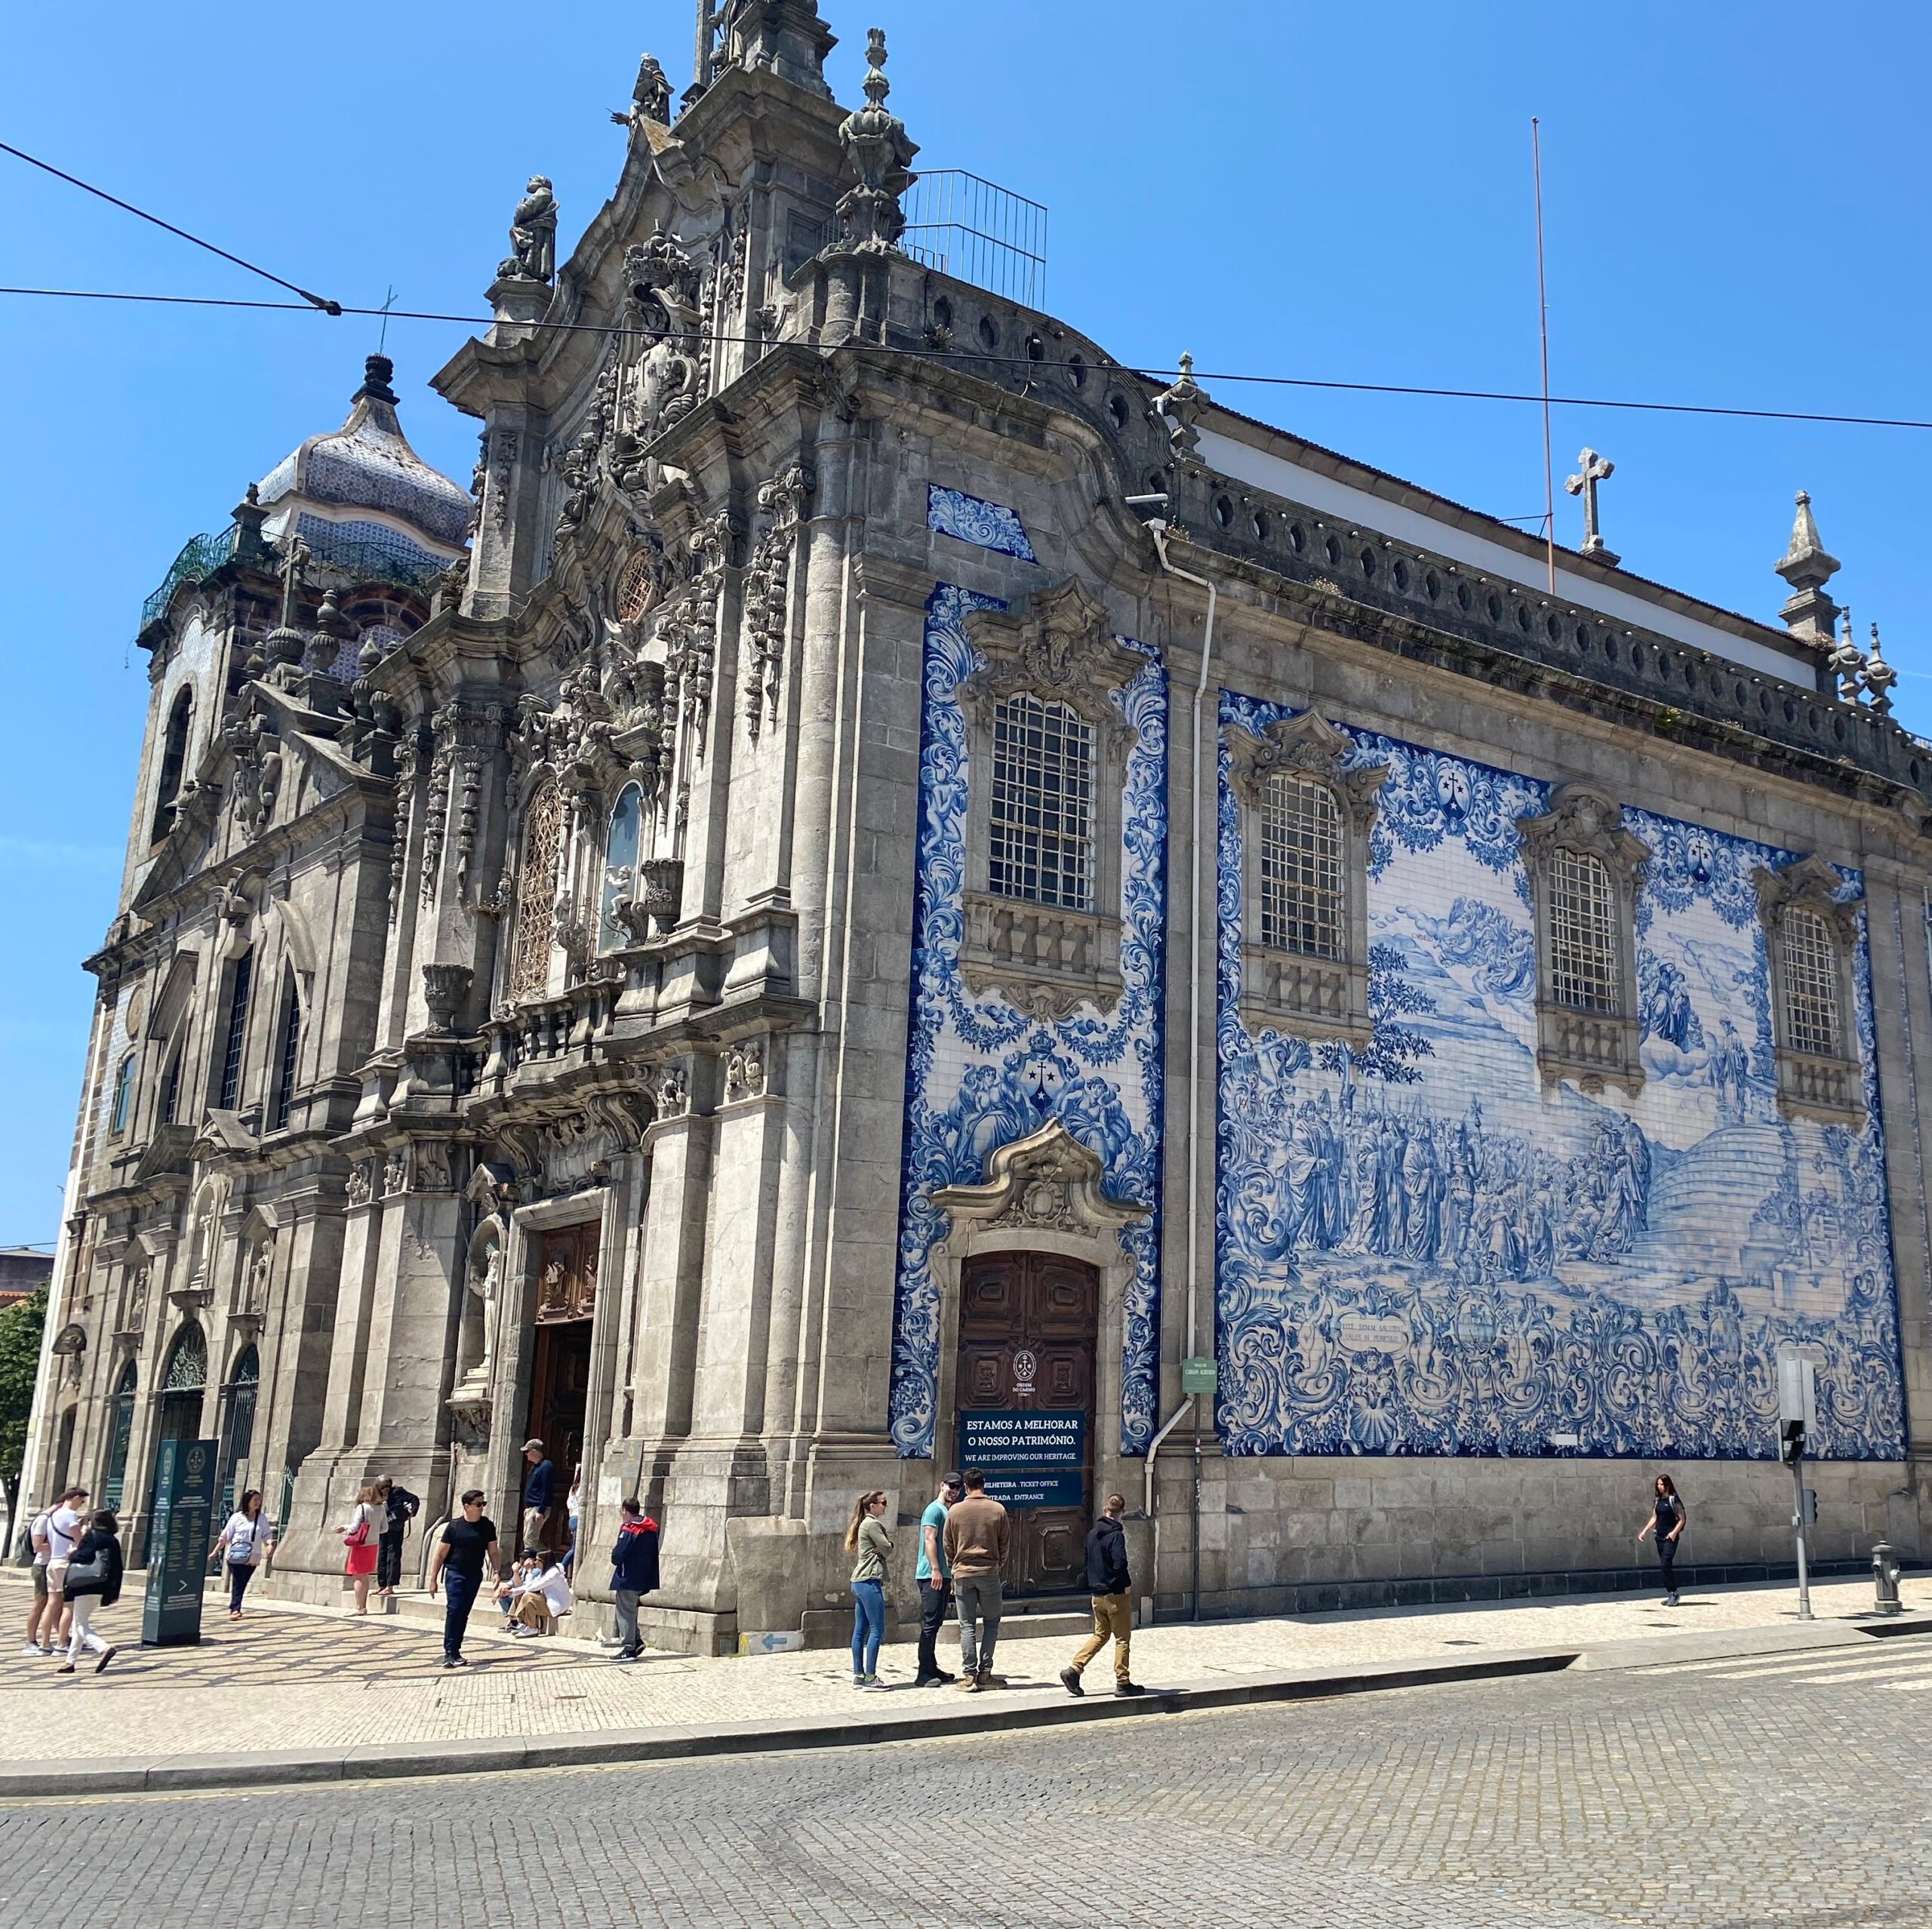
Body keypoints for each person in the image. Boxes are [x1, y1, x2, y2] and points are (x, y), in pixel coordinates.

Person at [1060, 1494, 1144, 1698]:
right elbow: (1120, 1564)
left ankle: (1075, 1669)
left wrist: (1095, 1585)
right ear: (1121, 1512)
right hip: (1115, 1594)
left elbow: (1087, 1561)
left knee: (1100, 1635)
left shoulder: (1091, 1534)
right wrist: (1125, 1585)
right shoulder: (1116, 1536)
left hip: (1097, 1595)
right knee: (1122, 1639)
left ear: (1106, 1508)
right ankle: (1123, 1682)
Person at [943, 1469, 1009, 1693]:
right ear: (984, 1484)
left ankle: (969, 1675)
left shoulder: (955, 1511)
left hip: (963, 1574)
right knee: (992, 1623)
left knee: (967, 1625)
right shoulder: (998, 1510)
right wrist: (997, 1565)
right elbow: (1005, 1544)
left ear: (965, 1487)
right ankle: (985, 1673)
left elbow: (947, 1544)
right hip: (989, 1572)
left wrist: (954, 1568)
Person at [427, 1489, 500, 1669]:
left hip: (474, 1574)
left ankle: (456, 1650)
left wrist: (497, 1571)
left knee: (463, 1612)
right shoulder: (454, 1527)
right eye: (478, 1504)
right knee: (454, 1609)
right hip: (455, 1573)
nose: (481, 1507)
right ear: (466, 1506)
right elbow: (440, 1554)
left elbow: (493, 1551)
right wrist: (433, 1578)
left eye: (483, 1504)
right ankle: (450, 1651)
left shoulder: (487, 1526)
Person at [57, 1509, 123, 1675]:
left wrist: (72, 1553)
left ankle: (103, 1648)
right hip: (102, 1585)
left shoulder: (92, 1536)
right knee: (80, 1622)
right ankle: (70, 1662)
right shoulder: (112, 1540)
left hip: (85, 1584)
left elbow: (83, 1556)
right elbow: (118, 1568)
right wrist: (114, 1593)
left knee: (79, 1624)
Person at [912, 1472, 961, 1687]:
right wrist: (935, 1569)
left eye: (958, 1488)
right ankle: (923, 1673)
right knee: (930, 1623)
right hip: (931, 1575)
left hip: (943, 1574)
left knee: (937, 1622)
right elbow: (929, 1539)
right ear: (942, 1485)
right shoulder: (934, 1510)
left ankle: (932, 1667)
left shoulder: (946, 1511)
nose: (954, 1491)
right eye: (951, 1486)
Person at [843, 1491, 892, 1689]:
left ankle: (858, 1674)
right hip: (869, 1580)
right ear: (872, 1506)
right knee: (877, 1629)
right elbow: (887, 1549)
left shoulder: (864, 1524)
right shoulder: (872, 1524)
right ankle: (870, 1677)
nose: (885, 1506)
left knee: (859, 1630)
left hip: (859, 1581)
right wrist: (887, 1546)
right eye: (883, 1503)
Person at [608, 1496, 661, 1663]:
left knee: (624, 1611)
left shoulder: (630, 1528)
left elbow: (619, 1554)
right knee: (630, 1610)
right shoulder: (649, 1528)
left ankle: (629, 1648)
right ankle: (637, 1640)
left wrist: (614, 1555)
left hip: (627, 1577)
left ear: (625, 1510)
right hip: (642, 1575)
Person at [211, 1489, 275, 1620]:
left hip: (253, 1556)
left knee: (242, 1582)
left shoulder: (261, 1518)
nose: (258, 1502)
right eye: (255, 1500)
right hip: (236, 1556)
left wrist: (269, 1544)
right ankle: (235, 1608)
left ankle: (235, 1607)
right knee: (238, 1581)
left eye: (259, 1499)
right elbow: (225, 1536)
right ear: (248, 1501)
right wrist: (215, 1552)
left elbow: (266, 1534)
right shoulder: (237, 1517)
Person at [44, 1485, 90, 1649]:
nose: (81, 1505)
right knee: (69, 1605)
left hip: (53, 1562)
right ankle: (63, 1642)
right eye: (82, 1502)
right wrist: (83, 1529)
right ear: (76, 1497)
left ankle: (45, 1642)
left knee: (52, 1603)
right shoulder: (71, 1516)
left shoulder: (53, 1516)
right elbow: (80, 1543)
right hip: (65, 1564)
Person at [1638, 1473, 1688, 1607]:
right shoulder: (1658, 1500)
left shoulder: (1674, 1500)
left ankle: (1674, 1593)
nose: (1660, 1487)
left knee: (1665, 1564)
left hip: (1670, 1537)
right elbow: (1654, 1517)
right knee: (1665, 1567)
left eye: (1662, 1484)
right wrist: (1644, 1531)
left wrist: (1674, 1533)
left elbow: (1682, 1519)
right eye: (1658, 1484)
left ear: (1668, 1485)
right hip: (1659, 1537)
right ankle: (1671, 1593)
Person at [341, 1481, 384, 1614]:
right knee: (365, 1576)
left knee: (358, 1576)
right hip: (373, 1545)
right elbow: (385, 1528)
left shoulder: (362, 1508)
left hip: (361, 1545)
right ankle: (363, 1606)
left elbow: (354, 1527)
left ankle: (360, 1607)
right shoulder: (381, 1508)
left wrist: (344, 1528)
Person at [508, 1552, 573, 1636]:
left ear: (544, 1561)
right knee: (523, 1595)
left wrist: (529, 1572)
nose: (535, 1562)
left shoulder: (553, 1573)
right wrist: (511, 1592)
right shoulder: (545, 1572)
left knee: (528, 1596)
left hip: (558, 1605)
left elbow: (533, 1587)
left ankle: (529, 1626)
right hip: (549, 1600)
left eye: (538, 1560)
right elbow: (529, 1585)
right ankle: (521, 1623)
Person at [21, 1502, 55, 1656]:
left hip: (50, 1564)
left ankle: (64, 1638)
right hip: (42, 1565)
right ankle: (30, 1641)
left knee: (54, 1602)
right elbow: (37, 1546)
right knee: (40, 1603)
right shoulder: (44, 1519)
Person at [377, 1477, 420, 1598]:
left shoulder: (397, 1492)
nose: (385, 1490)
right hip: (383, 1527)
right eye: (382, 1487)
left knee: (393, 1554)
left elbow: (414, 1499)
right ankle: (382, 1584)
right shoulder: (376, 1495)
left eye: (387, 1487)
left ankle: (390, 1586)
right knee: (382, 1555)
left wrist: (413, 1512)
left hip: (395, 1526)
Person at [520, 1440, 555, 1556]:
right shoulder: (535, 1467)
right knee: (530, 1539)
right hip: (531, 1508)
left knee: (530, 1541)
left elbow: (547, 1490)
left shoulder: (546, 1467)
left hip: (537, 1508)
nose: (526, 1454)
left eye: (528, 1451)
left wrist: (541, 1510)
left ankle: (532, 1568)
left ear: (535, 1451)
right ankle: (546, 1559)